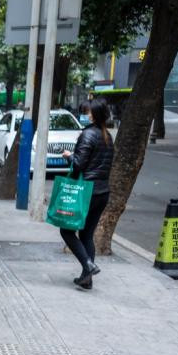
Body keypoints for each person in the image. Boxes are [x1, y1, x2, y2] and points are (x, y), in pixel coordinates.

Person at [59, 97, 114, 290]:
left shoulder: (88, 135)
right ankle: (87, 279)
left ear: (96, 114)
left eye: (88, 112)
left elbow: (79, 165)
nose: (85, 114)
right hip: (103, 192)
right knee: (87, 235)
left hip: (86, 191)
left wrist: (69, 157)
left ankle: (88, 265)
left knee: (66, 230)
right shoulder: (107, 135)